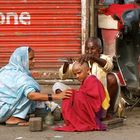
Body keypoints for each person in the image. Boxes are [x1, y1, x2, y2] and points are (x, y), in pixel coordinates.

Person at [0, 46, 71, 126]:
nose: (34, 61)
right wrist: (57, 96)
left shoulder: (4, 70)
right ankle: (14, 119)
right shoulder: (21, 77)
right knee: (27, 93)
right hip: (3, 112)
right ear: (22, 60)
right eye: (30, 59)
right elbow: (32, 95)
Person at [59, 37, 120, 118]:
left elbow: (109, 66)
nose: (89, 52)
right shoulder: (82, 61)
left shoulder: (105, 58)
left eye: (92, 49)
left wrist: (93, 58)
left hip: (104, 100)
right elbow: (63, 75)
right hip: (89, 99)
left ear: (100, 50)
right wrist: (66, 64)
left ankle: (109, 111)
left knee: (112, 78)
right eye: (87, 49)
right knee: (57, 86)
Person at [54, 61, 109, 132]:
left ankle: (75, 120)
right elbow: (84, 96)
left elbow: (95, 101)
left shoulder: (93, 80)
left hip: (96, 112)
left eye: (79, 73)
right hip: (88, 108)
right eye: (75, 74)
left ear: (88, 70)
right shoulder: (86, 80)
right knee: (67, 92)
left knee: (71, 93)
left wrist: (75, 93)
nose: (77, 76)